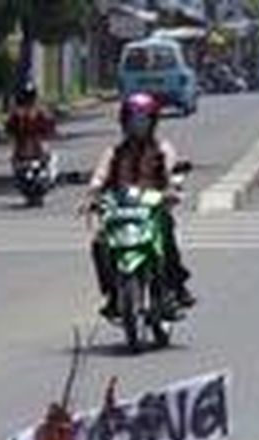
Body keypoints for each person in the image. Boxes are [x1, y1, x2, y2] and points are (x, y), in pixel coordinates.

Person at [82, 92, 194, 318]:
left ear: (153, 122)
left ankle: (175, 287)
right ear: (125, 123)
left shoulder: (163, 150)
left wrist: (172, 190)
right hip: (120, 210)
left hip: (151, 210)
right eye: (134, 121)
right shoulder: (114, 152)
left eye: (143, 121)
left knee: (167, 233)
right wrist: (91, 196)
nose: (138, 127)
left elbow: (171, 174)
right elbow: (100, 176)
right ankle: (113, 293)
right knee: (99, 243)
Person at [6, 80, 56, 165]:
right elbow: (10, 125)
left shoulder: (40, 109)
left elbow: (49, 120)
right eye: (26, 95)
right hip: (22, 140)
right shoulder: (17, 111)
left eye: (30, 95)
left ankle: (44, 160)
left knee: (46, 149)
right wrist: (11, 130)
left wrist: (50, 129)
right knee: (14, 151)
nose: (28, 99)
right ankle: (19, 159)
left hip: (37, 139)